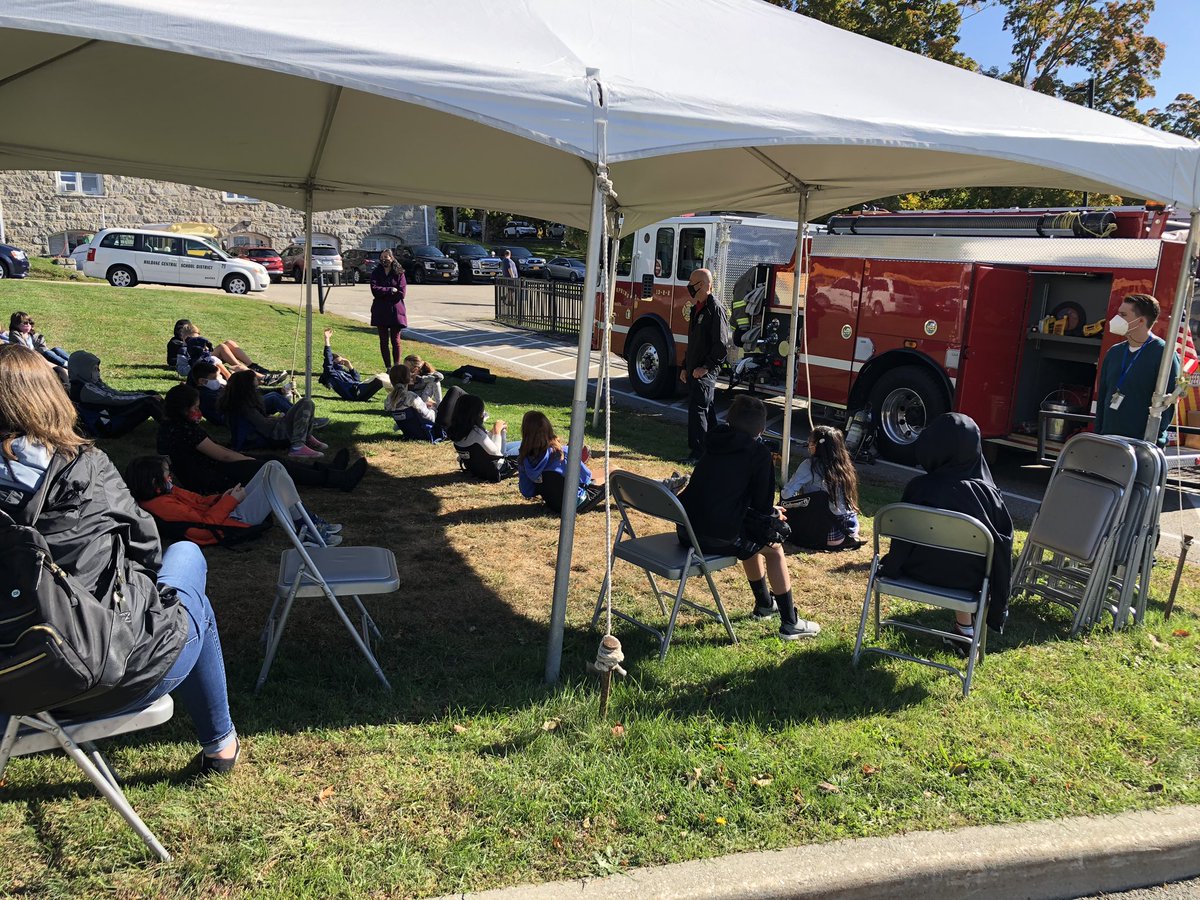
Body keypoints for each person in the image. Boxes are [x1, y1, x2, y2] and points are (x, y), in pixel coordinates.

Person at [0, 344, 239, 774]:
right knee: (187, 565)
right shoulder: (85, 467)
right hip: (109, 672)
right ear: (48, 398)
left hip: (10, 683)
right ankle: (221, 746)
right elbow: (146, 547)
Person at [678, 395, 819, 640]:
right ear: (762, 429)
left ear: (729, 419)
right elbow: (761, 508)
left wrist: (766, 511)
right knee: (773, 548)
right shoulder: (758, 453)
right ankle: (790, 622)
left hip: (687, 530)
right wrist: (774, 513)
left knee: (751, 537)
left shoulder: (714, 442)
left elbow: (725, 493)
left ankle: (765, 604)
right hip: (715, 536)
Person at [881, 413, 1014, 643]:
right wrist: (998, 606)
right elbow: (1002, 550)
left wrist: (891, 566)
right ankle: (965, 627)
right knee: (962, 560)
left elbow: (902, 540)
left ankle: (963, 628)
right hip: (967, 581)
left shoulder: (918, 488)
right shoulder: (988, 497)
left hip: (915, 571)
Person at [159, 384, 365, 493]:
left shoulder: (172, 427)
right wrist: (247, 459)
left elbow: (218, 451)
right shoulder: (184, 430)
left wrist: (245, 458)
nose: (198, 411)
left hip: (210, 471)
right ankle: (337, 480)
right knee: (274, 467)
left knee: (272, 460)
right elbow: (222, 455)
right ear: (183, 409)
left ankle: (330, 470)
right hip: (211, 478)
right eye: (195, 407)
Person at [124, 455, 341, 547]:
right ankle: (305, 524)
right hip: (229, 525)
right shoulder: (161, 505)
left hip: (226, 514)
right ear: (154, 482)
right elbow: (205, 525)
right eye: (166, 474)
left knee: (272, 466)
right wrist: (230, 502)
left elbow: (200, 501)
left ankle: (305, 522)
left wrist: (224, 497)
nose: (170, 477)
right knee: (274, 481)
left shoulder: (164, 492)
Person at [1095, 293, 1181, 447]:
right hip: (1108, 440)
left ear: (1141, 321)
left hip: (1141, 445)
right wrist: (1099, 435)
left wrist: (1152, 441)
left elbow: (1168, 405)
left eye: (1123, 315)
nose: (1117, 319)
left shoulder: (1164, 353)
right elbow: (1103, 396)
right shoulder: (1114, 352)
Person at [678, 268, 730, 465]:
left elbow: (721, 345)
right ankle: (716, 449)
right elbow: (693, 343)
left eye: (692, 282)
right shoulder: (696, 308)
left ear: (702, 285)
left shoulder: (715, 309)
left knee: (698, 409)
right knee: (707, 410)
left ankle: (698, 453)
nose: (689, 286)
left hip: (705, 371)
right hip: (694, 368)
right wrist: (685, 366)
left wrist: (706, 367)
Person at [781, 425, 862, 549]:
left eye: (810, 441)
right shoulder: (845, 467)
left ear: (817, 445)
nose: (809, 445)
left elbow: (786, 494)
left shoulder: (810, 465)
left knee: (785, 510)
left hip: (827, 534)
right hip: (849, 528)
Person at [220, 370, 326, 458]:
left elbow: (258, 421)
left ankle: (306, 437)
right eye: (254, 379)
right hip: (273, 436)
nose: (257, 380)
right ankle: (297, 446)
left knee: (307, 403)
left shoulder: (241, 401)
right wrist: (279, 420)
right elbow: (264, 426)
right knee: (305, 403)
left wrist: (274, 418)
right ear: (247, 385)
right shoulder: (244, 406)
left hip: (269, 432)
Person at [516, 410, 605, 513]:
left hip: (553, 505)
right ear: (549, 430)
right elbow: (585, 478)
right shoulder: (562, 453)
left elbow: (527, 491)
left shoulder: (524, 459)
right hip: (576, 503)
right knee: (613, 472)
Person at [67, 350, 164, 437]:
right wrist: (144, 397)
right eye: (95, 369)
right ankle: (169, 426)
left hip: (113, 414)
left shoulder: (91, 383)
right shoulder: (84, 389)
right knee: (149, 401)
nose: (98, 371)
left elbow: (117, 394)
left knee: (151, 394)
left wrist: (144, 395)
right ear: (84, 370)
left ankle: (170, 416)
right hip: (108, 425)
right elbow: (113, 399)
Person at [320, 328, 386, 401]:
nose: (342, 361)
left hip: (359, 390)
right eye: (339, 360)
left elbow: (357, 379)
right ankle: (395, 396)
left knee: (383, 377)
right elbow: (328, 357)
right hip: (354, 394)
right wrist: (327, 339)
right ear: (333, 361)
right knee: (380, 378)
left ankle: (395, 394)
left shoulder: (342, 372)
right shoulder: (331, 373)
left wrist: (349, 366)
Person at [446, 393, 519, 458]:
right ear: (475, 414)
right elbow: (497, 455)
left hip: (480, 462)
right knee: (525, 446)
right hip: (500, 463)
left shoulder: (459, 430)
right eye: (482, 412)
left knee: (521, 443)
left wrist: (492, 432)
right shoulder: (476, 433)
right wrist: (497, 432)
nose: (483, 415)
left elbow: (483, 442)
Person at [370, 248, 407, 369]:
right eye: (382, 257)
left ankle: (396, 367)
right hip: (380, 310)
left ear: (392, 258)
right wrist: (390, 290)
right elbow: (374, 290)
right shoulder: (376, 272)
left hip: (395, 310)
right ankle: (388, 368)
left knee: (395, 340)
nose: (384, 259)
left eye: (386, 257)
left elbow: (401, 293)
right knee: (383, 341)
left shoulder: (399, 273)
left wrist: (383, 293)